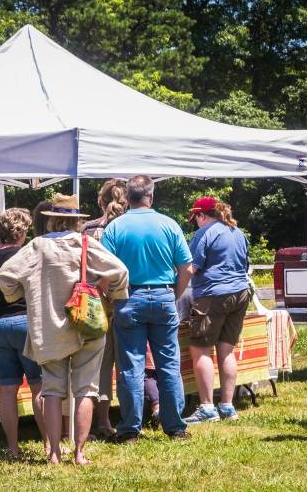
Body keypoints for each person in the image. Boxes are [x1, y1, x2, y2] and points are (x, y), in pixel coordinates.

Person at [0, 193, 129, 465]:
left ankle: (54, 453)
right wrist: (110, 296)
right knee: (86, 390)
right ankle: (79, 454)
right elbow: (120, 271)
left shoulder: (37, 247)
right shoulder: (85, 243)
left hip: (50, 329)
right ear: (76, 220)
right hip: (87, 325)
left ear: (51, 220)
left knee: (52, 391)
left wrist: (28, 292)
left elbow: (5, 277)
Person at [101, 175, 193, 442]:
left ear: (128, 197)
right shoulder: (169, 225)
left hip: (129, 297)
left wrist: (110, 296)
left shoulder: (115, 228)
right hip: (164, 295)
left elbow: (104, 272)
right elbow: (186, 268)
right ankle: (175, 426)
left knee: (131, 367)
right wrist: (173, 293)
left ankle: (130, 429)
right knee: (168, 364)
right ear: (151, 197)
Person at [0, 208, 46, 458]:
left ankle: (12, 447)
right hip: (24, 323)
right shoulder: (26, 253)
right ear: (22, 231)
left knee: (6, 390)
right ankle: (49, 445)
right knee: (39, 386)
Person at [184, 197, 250, 424]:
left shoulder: (204, 234)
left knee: (200, 349)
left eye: (195, 219)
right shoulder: (238, 233)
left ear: (202, 215)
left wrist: (175, 291)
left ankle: (206, 407)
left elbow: (191, 267)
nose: (195, 224)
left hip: (213, 295)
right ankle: (228, 406)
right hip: (240, 293)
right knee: (227, 350)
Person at [83, 179, 127, 438]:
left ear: (100, 201)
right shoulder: (128, 228)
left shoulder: (88, 230)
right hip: (124, 300)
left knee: (99, 365)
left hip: (95, 303)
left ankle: (102, 420)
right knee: (127, 363)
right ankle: (130, 417)